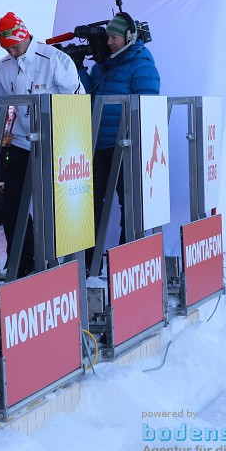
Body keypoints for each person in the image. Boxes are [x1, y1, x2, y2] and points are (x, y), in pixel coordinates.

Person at [0, 13, 84, 276]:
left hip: (58, 145)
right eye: (6, 48)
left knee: (59, 204)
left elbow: (77, 101)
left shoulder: (55, 59)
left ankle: (64, 261)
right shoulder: (4, 66)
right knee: (13, 203)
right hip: (23, 144)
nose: (12, 53)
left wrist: (71, 142)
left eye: (14, 46)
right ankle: (23, 262)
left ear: (24, 37)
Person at [83, 13, 160, 268]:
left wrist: (133, 142)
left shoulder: (142, 65)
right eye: (107, 36)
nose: (108, 42)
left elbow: (147, 108)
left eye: (113, 37)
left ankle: (131, 264)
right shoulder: (103, 66)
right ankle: (89, 262)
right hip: (100, 147)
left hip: (128, 149)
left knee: (130, 207)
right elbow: (89, 96)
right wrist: (79, 71)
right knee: (91, 204)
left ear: (128, 37)